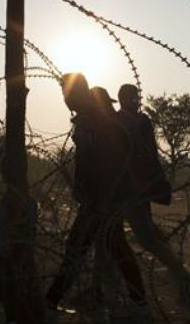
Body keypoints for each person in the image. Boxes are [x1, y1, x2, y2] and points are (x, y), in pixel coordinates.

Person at [46, 76, 149, 321]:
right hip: (100, 197)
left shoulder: (96, 120)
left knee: (79, 247)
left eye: (68, 94)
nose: (66, 100)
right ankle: (140, 301)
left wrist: (101, 195)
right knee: (112, 247)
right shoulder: (89, 118)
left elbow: (111, 156)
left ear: (79, 93)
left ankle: (51, 301)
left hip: (102, 198)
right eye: (64, 95)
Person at [116, 84, 190, 306]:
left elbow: (146, 155)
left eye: (135, 98)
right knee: (112, 239)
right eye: (130, 98)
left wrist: (149, 184)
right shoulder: (132, 121)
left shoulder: (136, 122)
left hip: (132, 189)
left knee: (145, 239)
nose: (134, 102)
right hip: (125, 188)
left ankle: (184, 277)